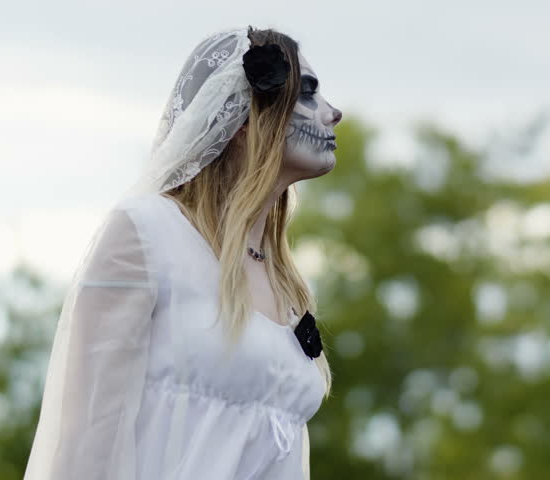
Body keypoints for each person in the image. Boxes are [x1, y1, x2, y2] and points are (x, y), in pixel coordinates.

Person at [23, 25, 343, 479]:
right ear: (245, 121)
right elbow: (87, 446)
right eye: (307, 93)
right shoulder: (145, 233)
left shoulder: (287, 280)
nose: (334, 113)